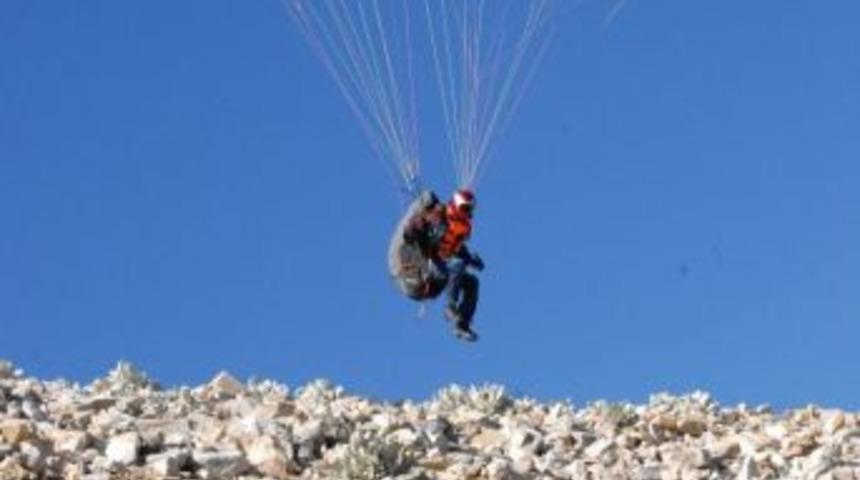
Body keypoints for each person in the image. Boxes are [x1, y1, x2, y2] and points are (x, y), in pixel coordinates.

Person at [388, 189, 484, 341]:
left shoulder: (454, 227)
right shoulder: (435, 216)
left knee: (472, 282)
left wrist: (472, 260)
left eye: (471, 209)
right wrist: (422, 233)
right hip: (414, 275)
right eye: (466, 208)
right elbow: (410, 232)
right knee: (457, 264)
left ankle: (461, 324)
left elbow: (454, 248)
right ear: (456, 206)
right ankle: (450, 307)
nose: (469, 213)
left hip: (433, 279)